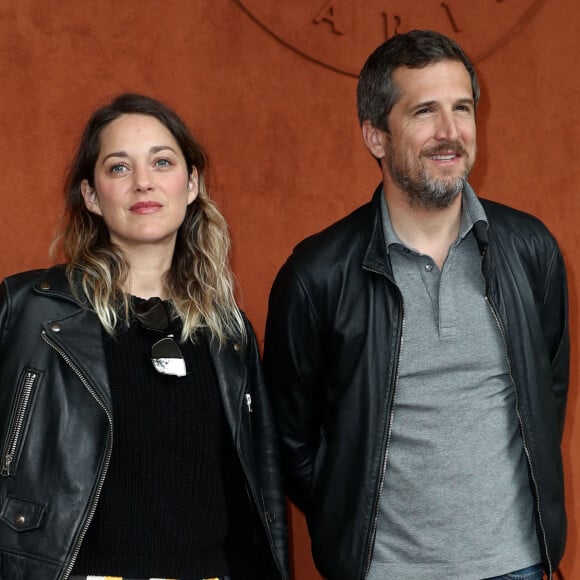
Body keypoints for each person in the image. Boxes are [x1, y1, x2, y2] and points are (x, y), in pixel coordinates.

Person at [264, 30, 568, 580]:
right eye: (425, 111)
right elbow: (291, 440)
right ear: (376, 135)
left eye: (462, 108)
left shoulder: (531, 250)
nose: (450, 133)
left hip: (516, 566)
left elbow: (545, 394)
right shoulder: (317, 275)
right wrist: (349, 513)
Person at [0, 93, 288, 580]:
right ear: (91, 195)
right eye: (118, 168)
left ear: (192, 183)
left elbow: (261, 494)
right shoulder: (29, 310)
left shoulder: (229, 333)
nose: (143, 182)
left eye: (162, 161)